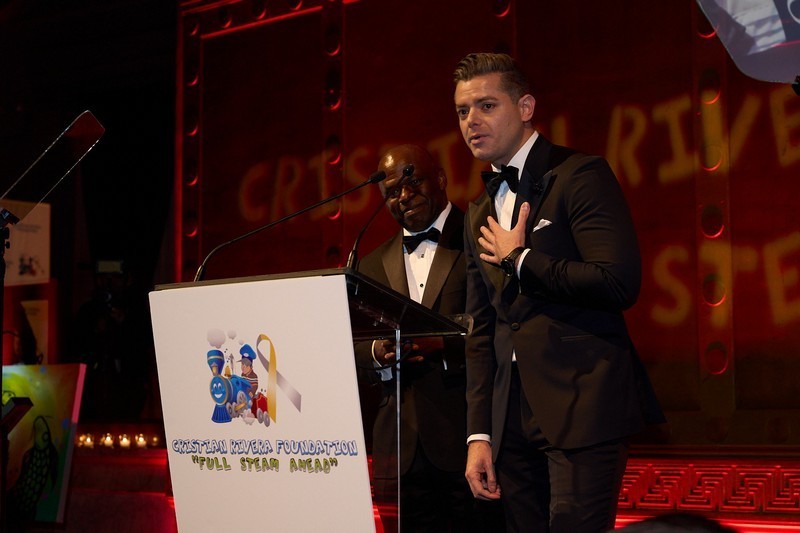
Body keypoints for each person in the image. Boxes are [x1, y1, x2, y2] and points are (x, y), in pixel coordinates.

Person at [452, 52, 664, 532]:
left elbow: (617, 281)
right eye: (462, 111)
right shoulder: (477, 210)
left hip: (582, 404)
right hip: (509, 419)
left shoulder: (580, 174)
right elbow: (481, 331)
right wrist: (479, 433)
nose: (471, 121)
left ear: (526, 107)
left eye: (486, 105)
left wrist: (521, 259)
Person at [354, 144, 503, 532]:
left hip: (470, 439)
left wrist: (442, 343)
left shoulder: (482, 237)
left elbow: (501, 327)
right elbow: (351, 347)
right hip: (399, 450)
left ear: (440, 178)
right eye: (391, 192)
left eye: (413, 181)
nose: (404, 196)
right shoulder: (369, 263)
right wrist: (378, 352)